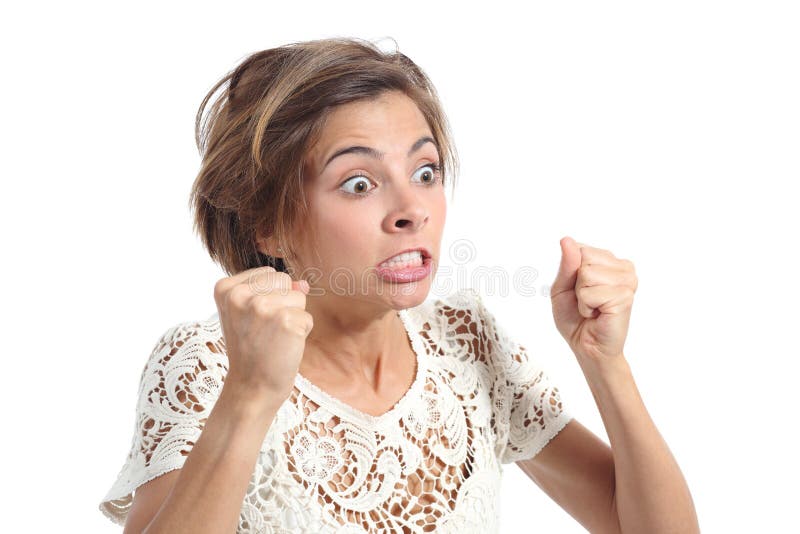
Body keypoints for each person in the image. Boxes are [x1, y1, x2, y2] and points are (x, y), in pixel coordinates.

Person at [98, 37, 699, 533]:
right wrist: (250, 394)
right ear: (269, 225)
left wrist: (605, 362)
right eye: (359, 183)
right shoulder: (205, 365)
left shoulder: (466, 342)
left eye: (425, 170)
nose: (413, 208)